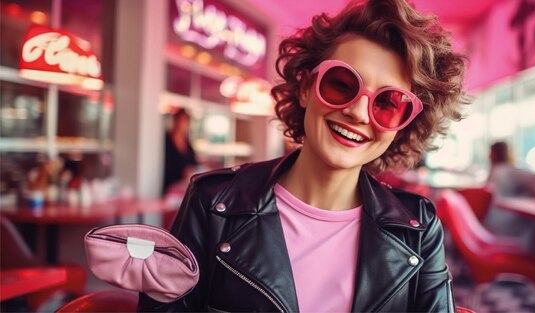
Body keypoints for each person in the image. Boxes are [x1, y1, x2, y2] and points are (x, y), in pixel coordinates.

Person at [139, 0, 467, 311]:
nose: (358, 113)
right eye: (342, 84)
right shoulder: (211, 201)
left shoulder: (419, 227)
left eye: (387, 103)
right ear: (307, 87)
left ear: (403, 125)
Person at [162, 108, 198, 195]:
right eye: (181, 121)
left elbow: (194, 162)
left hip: (184, 186)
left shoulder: (187, 143)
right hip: (169, 186)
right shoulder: (166, 141)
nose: (182, 124)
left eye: (185, 122)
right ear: (175, 121)